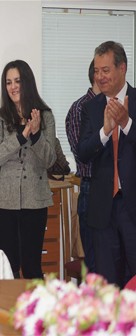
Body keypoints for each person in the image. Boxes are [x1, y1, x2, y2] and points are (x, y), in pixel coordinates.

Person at [0, 60, 56, 279]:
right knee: (9, 266)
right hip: (4, 202)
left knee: (32, 266)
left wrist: (35, 134)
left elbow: (49, 160)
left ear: (27, 82)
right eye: (8, 82)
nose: (13, 86)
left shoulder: (45, 116)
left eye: (17, 81)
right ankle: (9, 311)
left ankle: (36, 312)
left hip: (35, 201)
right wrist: (22, 135)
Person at [78, 41, 136, 288]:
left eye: (105, 70)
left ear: (122, 68)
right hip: (103, 209)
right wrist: (104, 131)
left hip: (132, 207)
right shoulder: (90, 107)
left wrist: (127, 124)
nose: (99, 77)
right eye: (96, 71)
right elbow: (82, 152)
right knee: (108, 287)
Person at [65, 59, 100, 273]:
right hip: (92, 187)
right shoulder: (80, 108)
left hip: (119, 190)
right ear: (97, 75)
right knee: (95, 261)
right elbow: (83, 154)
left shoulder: (119, 104)